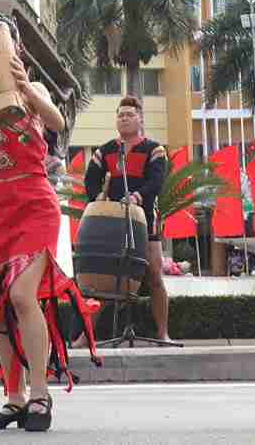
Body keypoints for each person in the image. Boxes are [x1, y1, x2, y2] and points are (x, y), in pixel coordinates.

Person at [0, 27, 97, 433]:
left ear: (14, 51)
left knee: (22, 295)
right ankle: (14, 397)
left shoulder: (34, 91)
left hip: (33, 204)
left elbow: (57, 121)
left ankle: (41, 394)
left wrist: (27, 90)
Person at [81, 96, 173, 341]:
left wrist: (136, 198)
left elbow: (156, 181)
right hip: (112, 222)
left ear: (140, 119)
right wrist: (97, 197)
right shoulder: (106, 150)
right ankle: (85, 337)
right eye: (120, 115)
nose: (124, 118)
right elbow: (90, 180)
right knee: (102, 279)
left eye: (129, 114)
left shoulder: (155, 149)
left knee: (154, 275)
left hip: (145, 218)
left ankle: (163, 333)